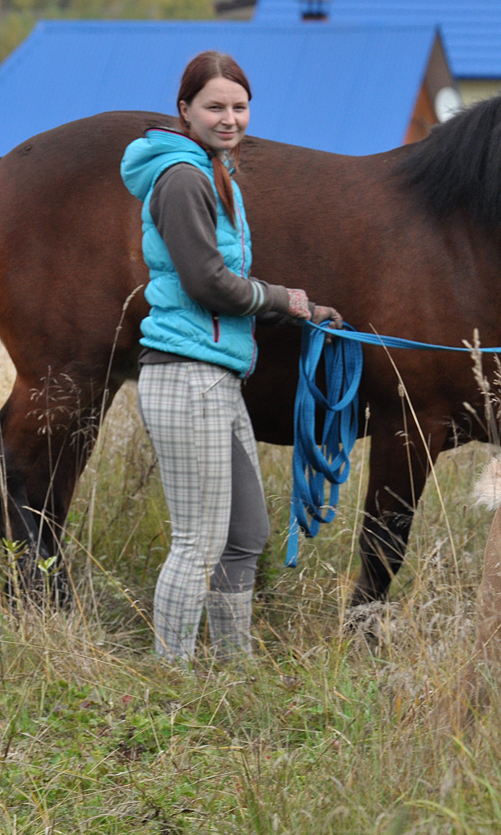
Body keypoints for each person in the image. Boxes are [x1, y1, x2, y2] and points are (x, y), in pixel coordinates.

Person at [120, 50, 341, 661]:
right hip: (187, 377)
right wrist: (282, 296)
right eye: (215, 106)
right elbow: (207, 282)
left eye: (239, 106)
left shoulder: (215, 172)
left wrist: (298, 311)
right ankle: (170, 679)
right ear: (184, 110)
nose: (229, 118)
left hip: (215, 376)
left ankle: (234, 667)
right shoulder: (185, 178)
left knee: (245, 535)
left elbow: (224, 286)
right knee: (197, 543)